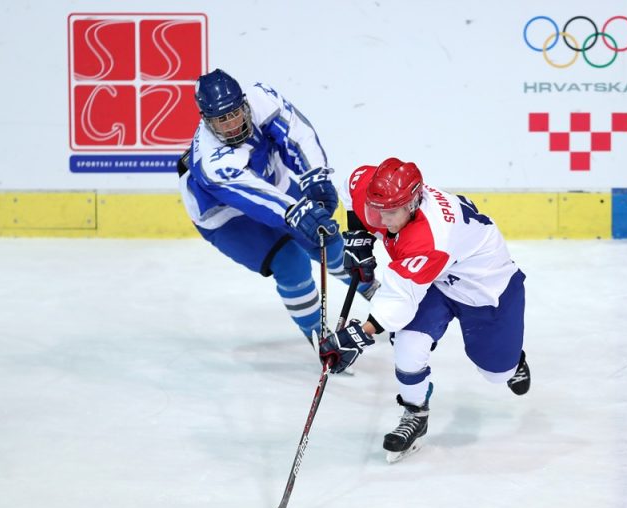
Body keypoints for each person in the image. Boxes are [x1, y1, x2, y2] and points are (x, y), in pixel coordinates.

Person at [319, 158, 530, 460]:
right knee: (408, 343)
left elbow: (399, 301)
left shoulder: (430, 238)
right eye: (376, 211)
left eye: (391, 213)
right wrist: (359, 237)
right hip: (436, 281)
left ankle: (512, 361)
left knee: (497, 372)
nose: (382, 220)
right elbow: (352, 184)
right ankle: (415, 413)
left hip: (484, 288)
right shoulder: (382, 196)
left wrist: (358, 336)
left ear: (413, 203)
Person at [176, 68, 378, 343]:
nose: (233, 125)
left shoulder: (262, 99)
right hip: (225, 215)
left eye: (235, 113)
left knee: (328, 241)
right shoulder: (212, 161)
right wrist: (295, 212)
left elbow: (298, 135)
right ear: (207, 121)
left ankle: (381, 299)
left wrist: (315, 178)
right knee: (290, 262)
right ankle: (319, 337)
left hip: (271, 182)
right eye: (222, 120)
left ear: (244, 102)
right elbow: (257, 199)